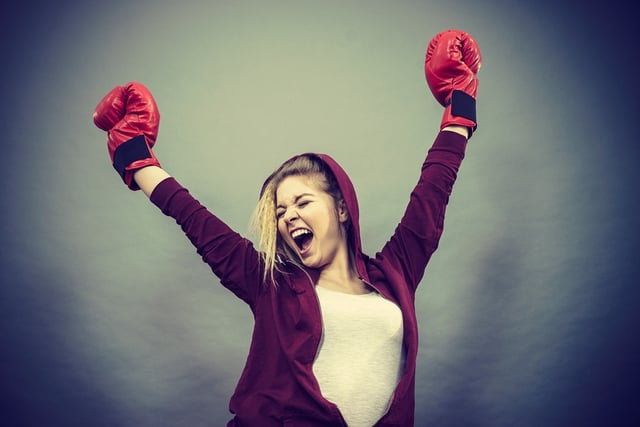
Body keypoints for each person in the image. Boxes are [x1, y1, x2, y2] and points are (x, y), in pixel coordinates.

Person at [92, 29, 481, 427]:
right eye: (279, 211)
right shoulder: (271, 284)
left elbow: (432, 195)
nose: (288, 216)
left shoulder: (395, 273)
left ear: (342, 210)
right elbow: (195, 219)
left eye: (302, 202)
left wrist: (459, 105)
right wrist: (136, 157)